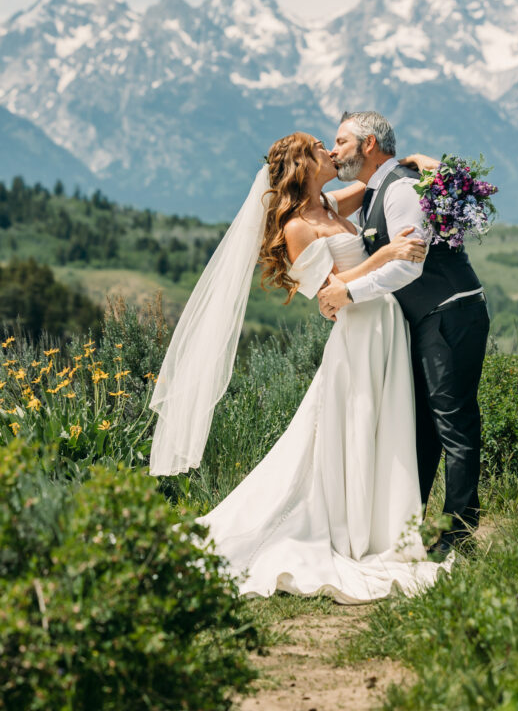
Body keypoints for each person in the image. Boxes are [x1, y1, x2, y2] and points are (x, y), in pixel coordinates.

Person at [149, 131, 446, 603]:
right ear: (303, 165)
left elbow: (378, 183)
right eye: (318, 148)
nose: (330, 151)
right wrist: (385, 255)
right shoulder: (296, 226)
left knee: (382, 425)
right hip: (356, 332)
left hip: (385, 324)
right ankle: (344, 528)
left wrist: (422, 163)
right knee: (354, 424)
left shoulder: (330, 204)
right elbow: (326, 291)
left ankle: (379, 526)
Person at [319, 111, 489, 557]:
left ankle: (460, 536)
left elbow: (409, 265)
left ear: (369, 144)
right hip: (423, 320)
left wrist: (348, 293)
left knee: (452, 423)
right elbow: (320, 206)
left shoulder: (400, 188)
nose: (334, 150)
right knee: (421, 427)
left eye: (340, 141)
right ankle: (410, 528)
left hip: (450, 312)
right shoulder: (379, 188)